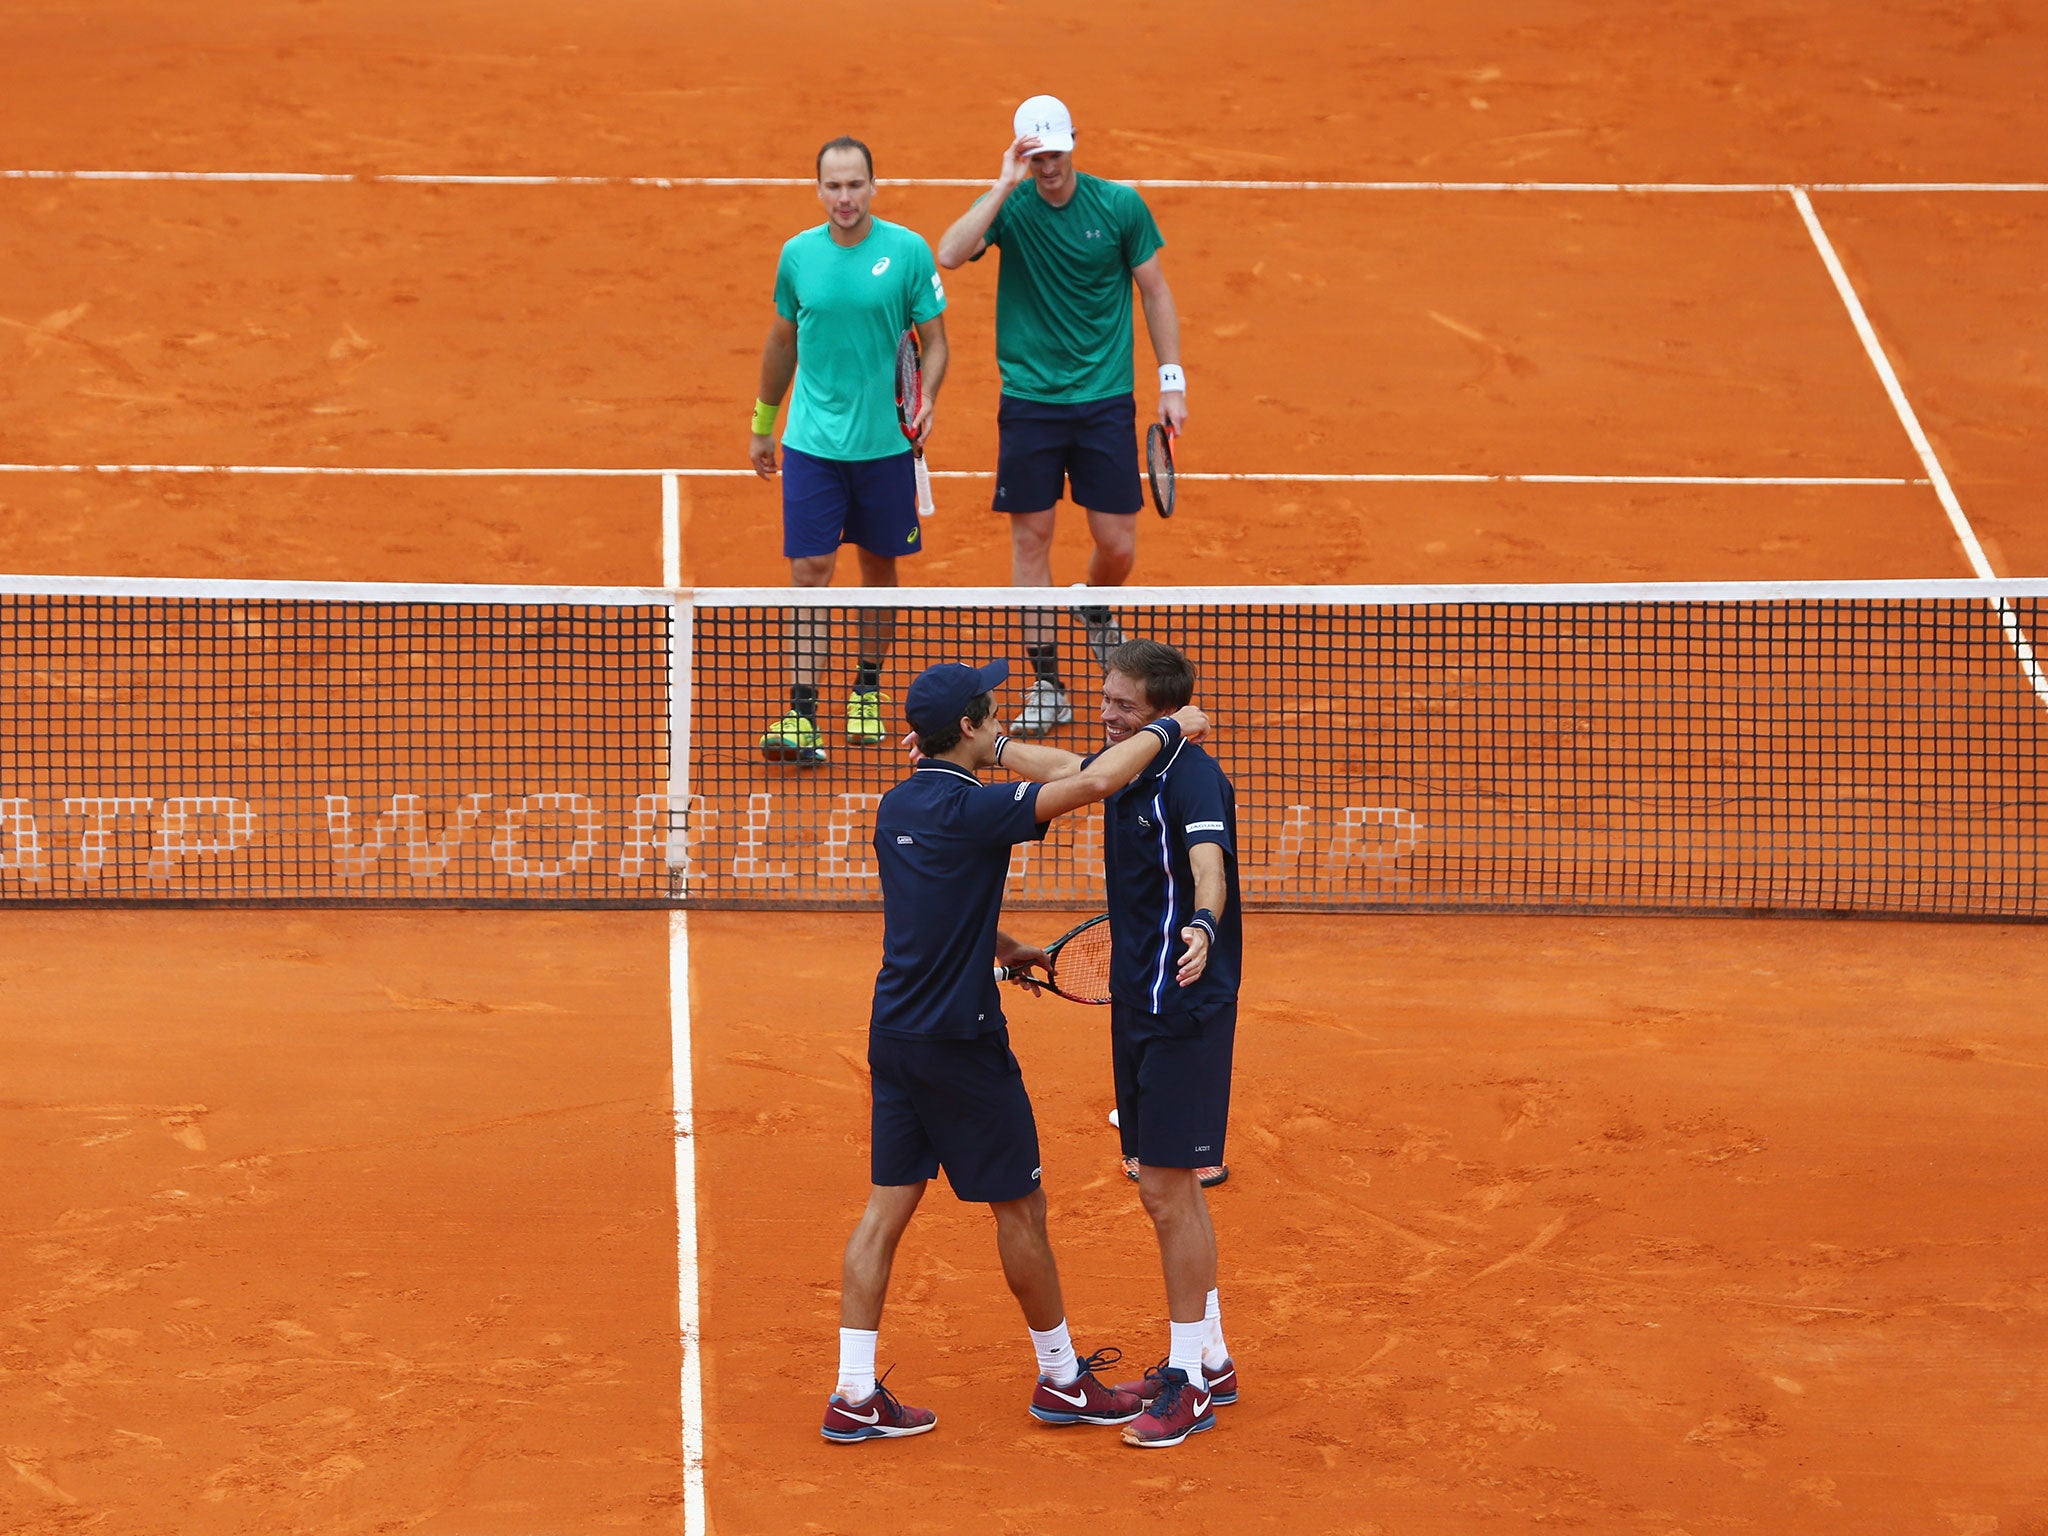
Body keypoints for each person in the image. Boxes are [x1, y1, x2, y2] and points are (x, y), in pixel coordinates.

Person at [824, 657, 1212, 1443]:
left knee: (883, 1212)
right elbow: (1096, 782)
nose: (1003, 722)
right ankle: (1065, 1379)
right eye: (992, 714)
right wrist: (1175, 726)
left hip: (894, 1034)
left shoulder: (896, 804)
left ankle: (853, 1392)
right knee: (1022, 1210)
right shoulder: (979, 810)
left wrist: (1005, 948)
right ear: (967, 729)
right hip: (962, 1046)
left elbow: (931, 912)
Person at [994, 639, 1241, 1449]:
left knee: (1170, 1188)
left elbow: (1209, 864)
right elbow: (1066, 762)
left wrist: (1205, 923)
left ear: (1163, 712)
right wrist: (989, 746)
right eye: (1105, 699)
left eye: (1123, 706)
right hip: (1136, 1006)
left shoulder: (1193, 777)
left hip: (1184, 1007)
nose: (1107, 714)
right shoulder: (1129, 763)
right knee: (1159, 1183)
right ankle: (1210, 1355)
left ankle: (1190, 1382)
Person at [935, 95, 1188, 738]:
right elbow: (949, 252)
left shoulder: (1119, 206)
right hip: (1030, 401)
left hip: (1103, 399)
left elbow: (1154, 290)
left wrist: (1171, 379)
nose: (1048, 166)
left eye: (1055, 152)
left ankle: (1095, 609)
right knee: (1030, 540)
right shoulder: (1013, 207)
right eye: (1035, 154)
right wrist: (1001, 184)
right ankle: (1047, 681)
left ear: (1074, 141)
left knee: (1117, 544)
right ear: (1022, 151)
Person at [750, 135, 949, 766]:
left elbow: (935, 343)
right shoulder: (797, 257)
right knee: (809, 571)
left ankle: (866, 687)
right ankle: (802, 710)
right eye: (833, 186)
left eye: (855, 184)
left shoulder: (908, 251)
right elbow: (782, 342)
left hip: (886, 446)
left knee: (878, 568)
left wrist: (928, 397)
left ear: (873, 185)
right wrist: (763, 421)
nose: (845, 197)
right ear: (818, 190)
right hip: (812, 443)